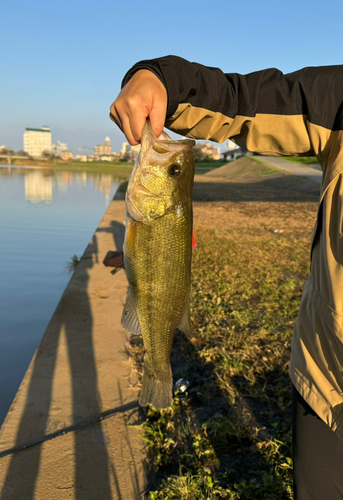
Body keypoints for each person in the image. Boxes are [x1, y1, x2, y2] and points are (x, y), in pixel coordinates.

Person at [110, 56, 343, 500]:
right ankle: (158, 371)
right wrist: (160, 79)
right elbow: (242, 100)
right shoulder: (338, 98)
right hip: (327, 380)